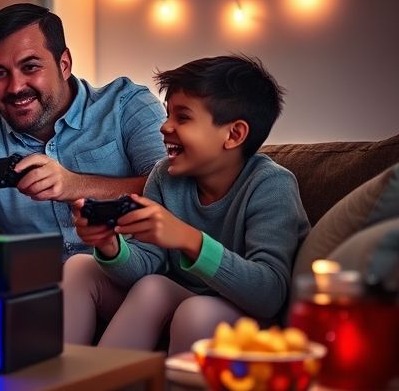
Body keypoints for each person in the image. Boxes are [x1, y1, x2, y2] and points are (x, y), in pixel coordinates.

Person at [62, 54, 310, 354]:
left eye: (182, 117)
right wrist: (110, 246)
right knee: (82, 268)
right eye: (168, 115)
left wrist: (189, 239)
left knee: (196, 312)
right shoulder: (165, 176)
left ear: (234, 134)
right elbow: (144, 268)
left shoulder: (271, 185)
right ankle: (70, 381)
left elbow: (269, 294)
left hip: (248, 321)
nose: (165, 127)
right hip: (177, 299)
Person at [0, 3, 167, 259]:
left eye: (30, 67)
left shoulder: (129, 106)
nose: (15, 87)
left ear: (64, 64)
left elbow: (173, 194)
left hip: (131, 281)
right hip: (34, 289)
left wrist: (75, 185)